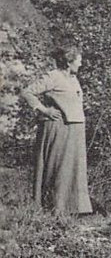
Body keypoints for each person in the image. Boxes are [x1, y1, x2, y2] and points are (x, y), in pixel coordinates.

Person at [21, 43, 92, 214]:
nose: (81, 64)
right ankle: (55, 208)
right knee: (59, 167)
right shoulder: (53, 76)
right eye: (79, 60)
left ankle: (74, 208)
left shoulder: (73, 78)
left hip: (76, 129)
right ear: (69, 61)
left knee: (75, 169)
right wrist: (44, 110)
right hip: (60, 128)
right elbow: (27, 92)